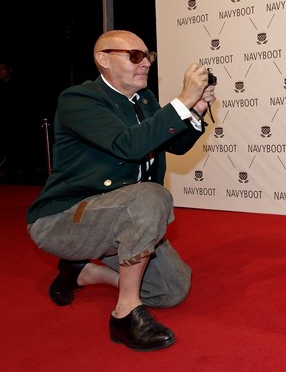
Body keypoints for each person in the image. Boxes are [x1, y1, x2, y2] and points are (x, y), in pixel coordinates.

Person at [26, 30, 216, 351]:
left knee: (172, 291)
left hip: (118, 214)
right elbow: (128, 146)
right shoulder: (78, 99)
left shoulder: (144, 101)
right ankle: (126, 313)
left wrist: (193, 111)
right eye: (135, 56)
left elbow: (177, 145)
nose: (145, 64)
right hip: (61, 218)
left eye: (148, 57)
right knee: (151, 195)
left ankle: (84, 273)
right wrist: (181, 100)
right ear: (103, 60)